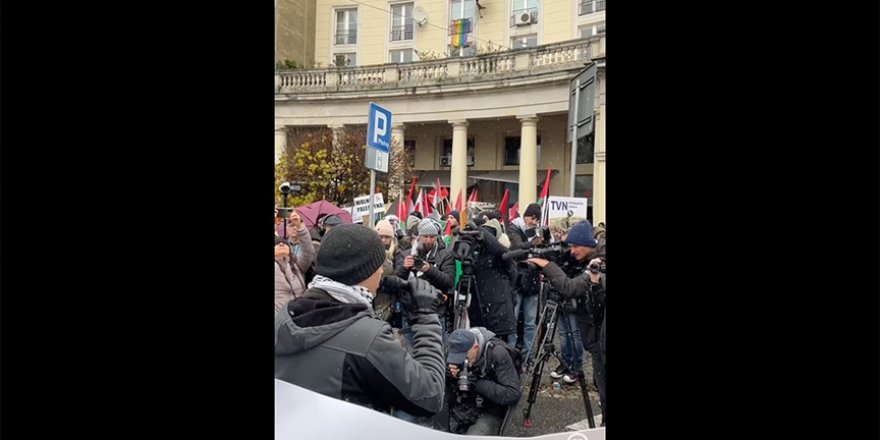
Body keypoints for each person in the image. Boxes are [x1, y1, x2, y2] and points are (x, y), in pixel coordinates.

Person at [275, 224, 446, 417]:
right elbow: (430, 395)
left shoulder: (284, 316)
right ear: (366, 272)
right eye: (379, 266)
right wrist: (425, 317)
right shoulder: (368, 339)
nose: (382, 272)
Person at [526, 220, 606, 425]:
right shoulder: (585, 261)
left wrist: (547, 265)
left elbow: (571, 288)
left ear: (587, 243)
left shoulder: (598, 263)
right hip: (596, 338)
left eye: (574, 246)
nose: (571, 251)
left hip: (600, 339)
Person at [445, 327, 521, 435]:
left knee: (476, 435)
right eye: (456, 358)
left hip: (491, 406)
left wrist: (478, 384)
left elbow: (512, 394)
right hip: (465, 401)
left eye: (464, 357)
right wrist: (448, 373)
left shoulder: (497, 353)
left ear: (476, 347)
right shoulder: (455, 348)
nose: (461, 361)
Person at [275, 210, 317, 313]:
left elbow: (308, 251)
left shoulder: (296, 265)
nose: (281, 245)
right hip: (279, 319)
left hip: (301, 315)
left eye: (284, 244)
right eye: (278, 244)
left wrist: (300, 227)